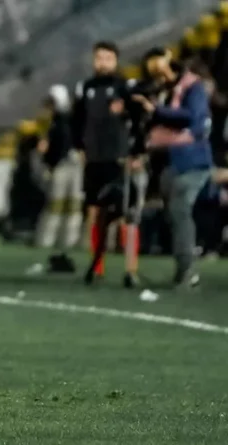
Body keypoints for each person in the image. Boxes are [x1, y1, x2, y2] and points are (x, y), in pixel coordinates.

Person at [133, 48, 214, 289]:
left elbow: (193, 118)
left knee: (180, 211)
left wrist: (157, 111)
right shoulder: (160, 92)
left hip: (191, 160)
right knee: (173, 216)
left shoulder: (193, 88)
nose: (158, 76)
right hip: (168, 162)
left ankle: (188, 271)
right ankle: (182, 269)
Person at [72, 41, 140, 285]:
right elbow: (76, 120)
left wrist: (136, 152)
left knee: (126, 212)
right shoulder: (85, 87)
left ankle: (130, 269)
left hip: (119, 157)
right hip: (94, 157)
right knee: (95, 211)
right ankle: (97, 266)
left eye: (108, 58)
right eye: (99, 58)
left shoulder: (125, 87)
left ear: (116, 61)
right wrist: (80, 148)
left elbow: (138, 117)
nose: (103, 63)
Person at [35, 85, 83, 272]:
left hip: (65, 164)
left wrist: (50, 160)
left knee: (68, 205)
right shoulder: (55, 120)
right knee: (58, 205)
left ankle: (61, 240)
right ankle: (52, 240)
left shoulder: (65, 120)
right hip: (63, 164)